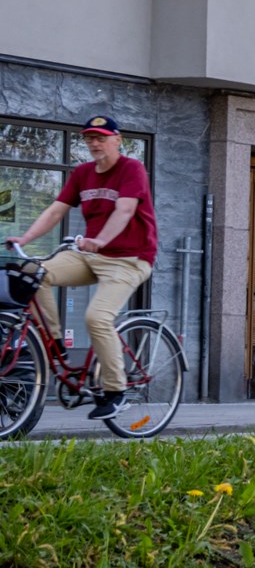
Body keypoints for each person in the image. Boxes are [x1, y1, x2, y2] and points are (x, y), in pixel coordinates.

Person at [6, 116, 155, 423]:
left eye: (101, 137)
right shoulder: (83, 173)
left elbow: (125, 210)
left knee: (96, 318)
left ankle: (115, 392)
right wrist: (25, 238)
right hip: (90, 255)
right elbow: (55, 211)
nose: (94, 143)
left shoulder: (132, 169)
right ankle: (56, 346)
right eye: (89, 138)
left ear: (117, 140)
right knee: (33, 271)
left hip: (130, 259)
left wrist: (100, 240)